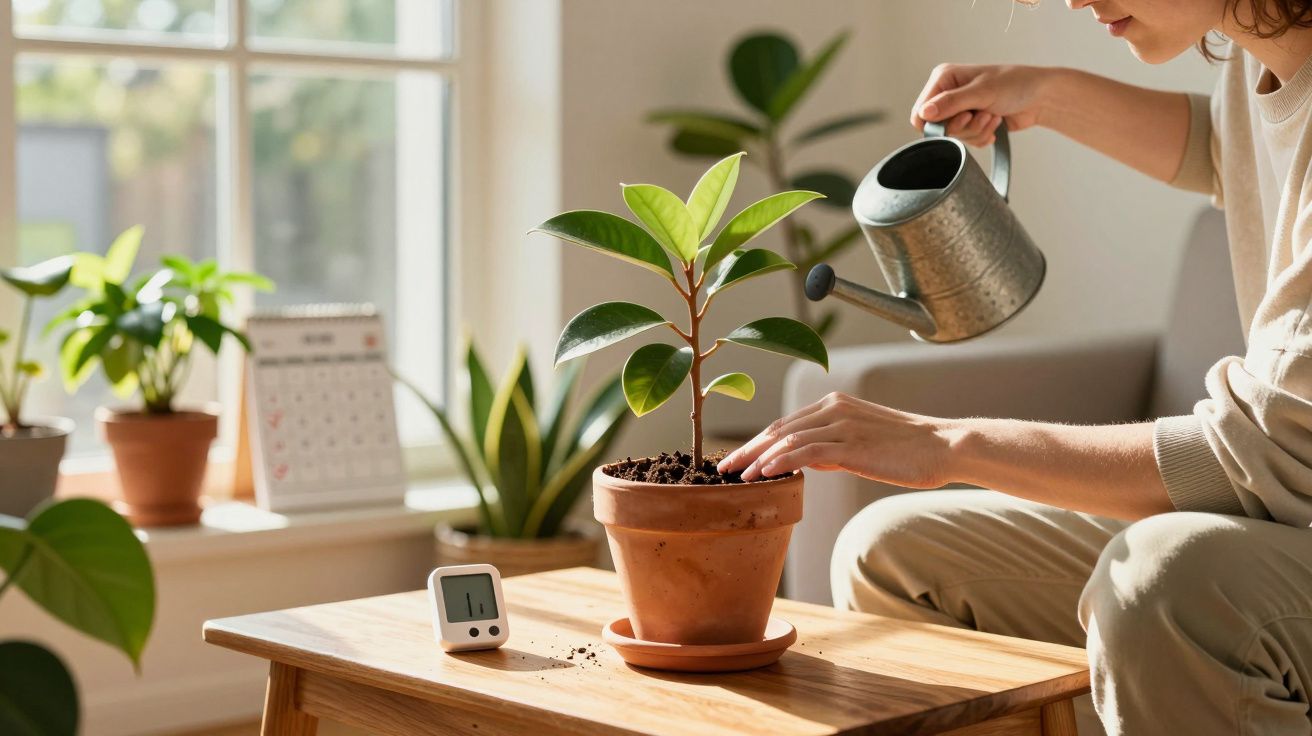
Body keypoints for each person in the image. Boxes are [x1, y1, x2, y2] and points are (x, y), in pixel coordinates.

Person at [717, 0, 1312, 733]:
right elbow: (1225, 147)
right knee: (894, 555)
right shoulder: (1264, 56)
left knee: (1169, 582)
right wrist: (1043, 94)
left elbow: (1262, 454)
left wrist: (948, 445)